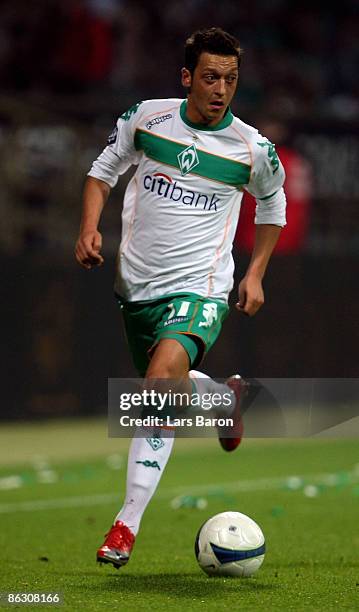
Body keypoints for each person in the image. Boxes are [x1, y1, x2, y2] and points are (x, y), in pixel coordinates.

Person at [75, 27, 286, 569]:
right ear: (187, 77)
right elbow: (102, 174)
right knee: (164, 384)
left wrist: (256, 273)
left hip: (202, 287)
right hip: (137, 287)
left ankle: (125, 525)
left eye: (231, 80)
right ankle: (224, 399)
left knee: (157, 386)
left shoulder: (251, 148)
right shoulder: (147, 118)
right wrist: (88, 227)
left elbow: (273, 206)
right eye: (211, 77)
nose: (221, 89)